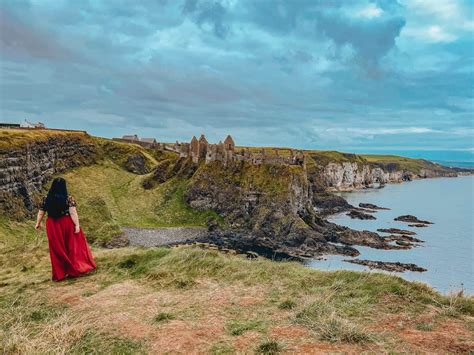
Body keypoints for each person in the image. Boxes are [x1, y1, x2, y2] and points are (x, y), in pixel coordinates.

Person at [35, 177, 96, 281]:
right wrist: (77, 225)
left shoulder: (46, 199)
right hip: (66, 223)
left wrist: (38, 223)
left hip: (52, 225)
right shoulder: (68, 198)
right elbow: (73, 212)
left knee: (56, 248)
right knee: (71, 246)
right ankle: (73, 269)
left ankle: (59, 274)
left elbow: (41, 211)